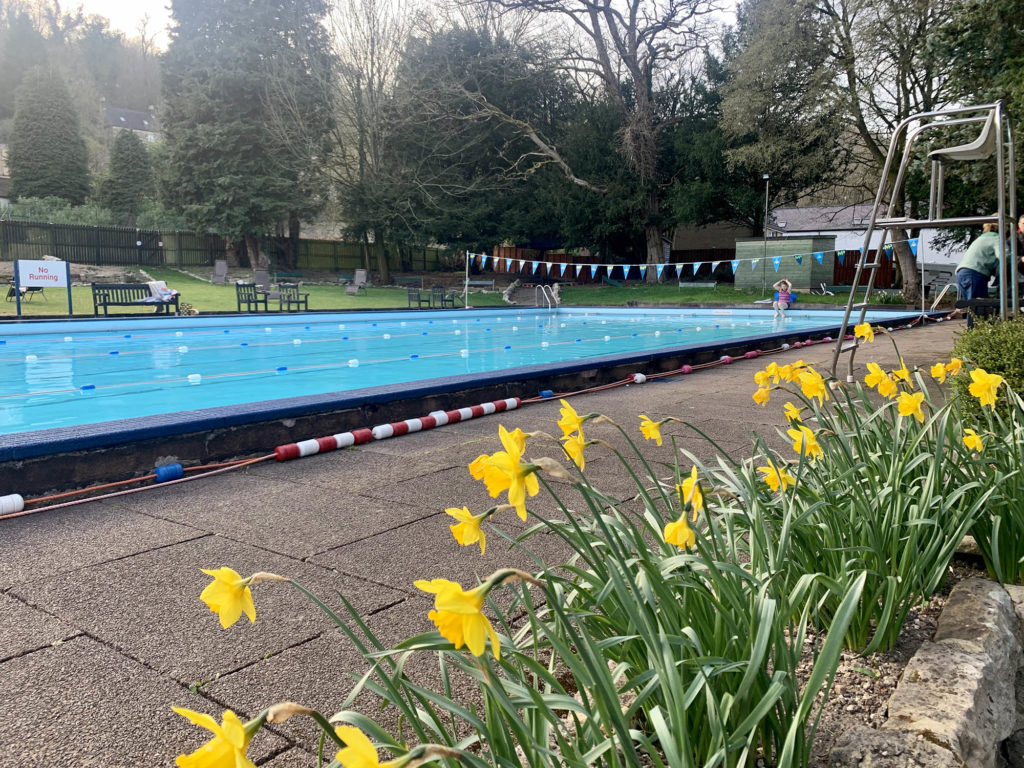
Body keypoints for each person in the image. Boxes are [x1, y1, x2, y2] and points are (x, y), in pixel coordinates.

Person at [955, 221, 1003, 300]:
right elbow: (1004, 256)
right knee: (978, 307)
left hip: (962, 272)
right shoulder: (996, 238)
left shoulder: (981, 238)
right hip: (975, 273)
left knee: (970, 306)